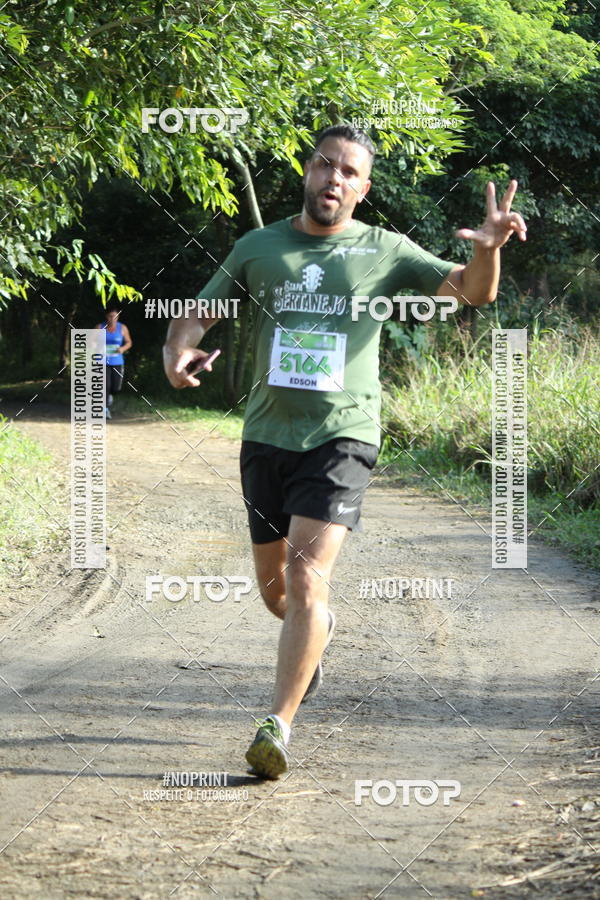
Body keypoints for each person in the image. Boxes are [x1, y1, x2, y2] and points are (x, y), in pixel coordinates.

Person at [162, 124, 527, 779]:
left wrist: (491, 249)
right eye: (325, 165)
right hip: (265, 437)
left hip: (344, 435)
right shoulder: (259, 247)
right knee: (277, 594)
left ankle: (277, 726)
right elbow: (197, 311)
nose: (334, 179)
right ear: (308, 171)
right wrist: (176, 351)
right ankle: (314, 638)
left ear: (362, 188)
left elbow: (472, 291)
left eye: (349, 172)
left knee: (306, 578)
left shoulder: (384, 250)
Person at [96, 304, 132, 418]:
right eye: (111, 316)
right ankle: (105, 409)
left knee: (116, 387)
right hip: (102, 361)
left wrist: (122, 349)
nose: (113, 318)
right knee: (105, 385)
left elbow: (129, 342)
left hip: (117, 361)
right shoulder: (99, 327)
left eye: (115, 316)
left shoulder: (123, 328)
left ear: (118, 317)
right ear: (107, 317)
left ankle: (110, 396)